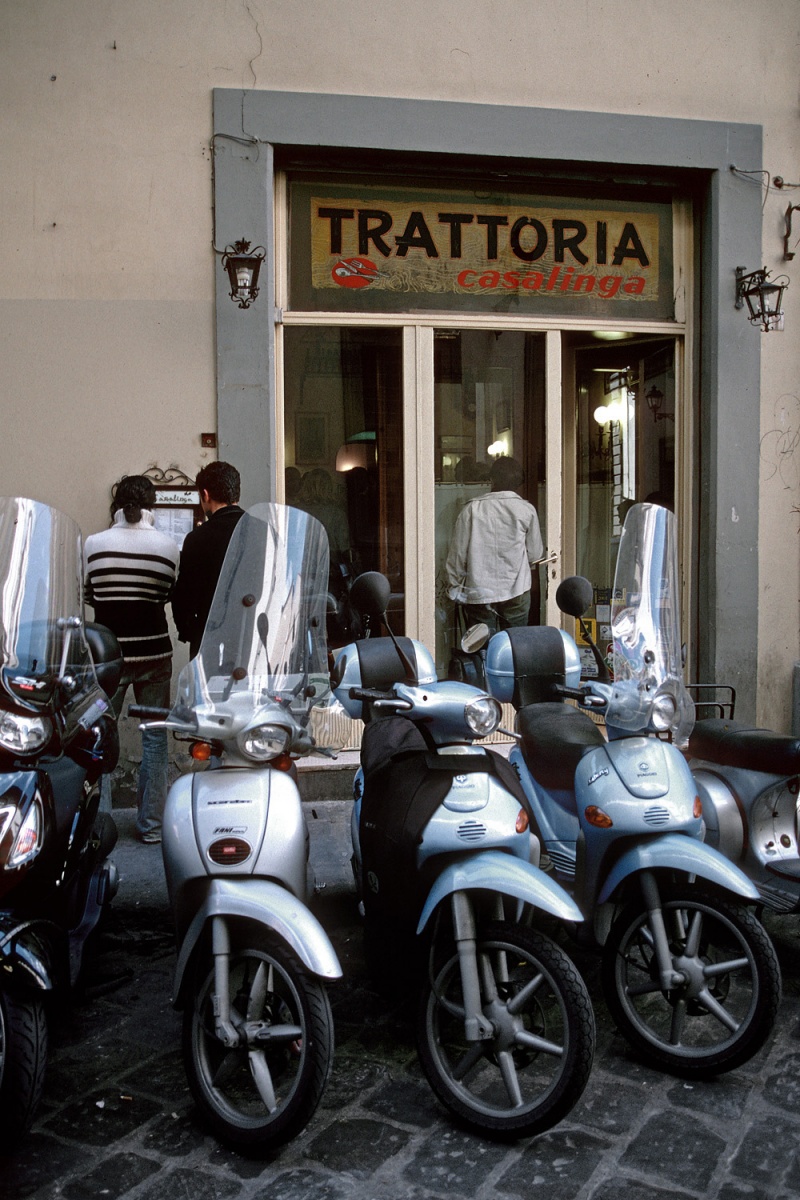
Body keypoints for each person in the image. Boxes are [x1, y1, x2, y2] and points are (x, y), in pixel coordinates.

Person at [84, 475, 180, 843]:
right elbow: (168, 593)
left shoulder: (94, 545)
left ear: (117, 505)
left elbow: (89, 594)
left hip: (108, 657)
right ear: (151, 505)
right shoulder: (169, 546)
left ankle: (99, 825)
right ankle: (151, 827)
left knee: (99, 738)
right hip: (154, 652)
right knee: (155, 739)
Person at [445, 455, 544, 635]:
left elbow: (457, 556)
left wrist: (455, 587)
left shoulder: (471, 510)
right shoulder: (526, 510)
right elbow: (535, 555)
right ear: (518, 482)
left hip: (479, 591)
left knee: (481, 649)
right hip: (517, 589)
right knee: (515, 646)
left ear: (491, 479)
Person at [172, 460, 244, 657]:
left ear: (205, 494)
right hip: (252, 642)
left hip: (210, 642)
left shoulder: (197, 538)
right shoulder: (264, 532)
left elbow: (184, 595)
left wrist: (188, 630)